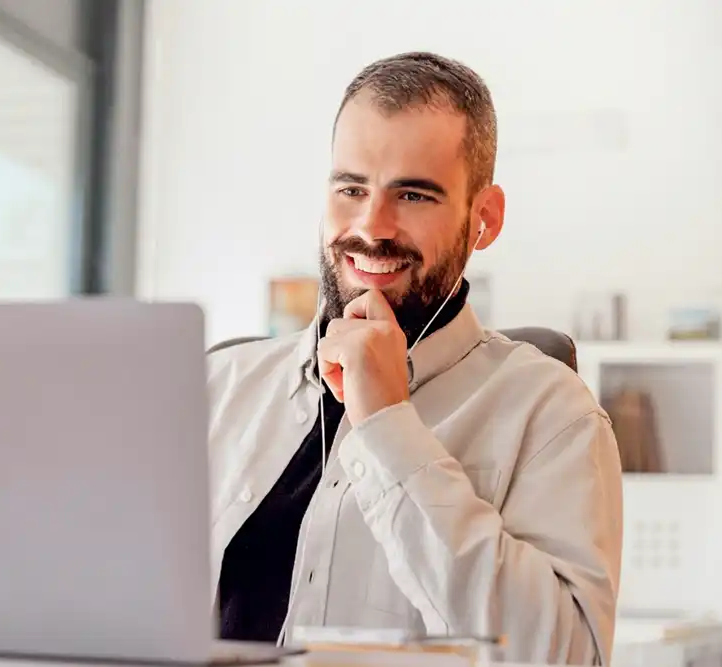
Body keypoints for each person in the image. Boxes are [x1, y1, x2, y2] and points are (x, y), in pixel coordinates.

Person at [207, 52, 623, 665]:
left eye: (413, 195)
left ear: (484, 219)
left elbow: (566, 657)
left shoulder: (554, 416)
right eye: (351, 189)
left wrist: (388, 427)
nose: (372, 227)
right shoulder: (217, 388)